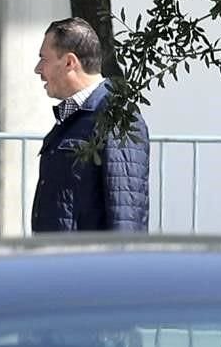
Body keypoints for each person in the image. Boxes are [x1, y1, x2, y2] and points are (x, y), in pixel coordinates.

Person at [31, 17, 149, 232]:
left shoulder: (116, 116)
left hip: (85, 264)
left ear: (69, 62)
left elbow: (126, 215)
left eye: (43, 59)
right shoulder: (74, 116)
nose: (38, 69)